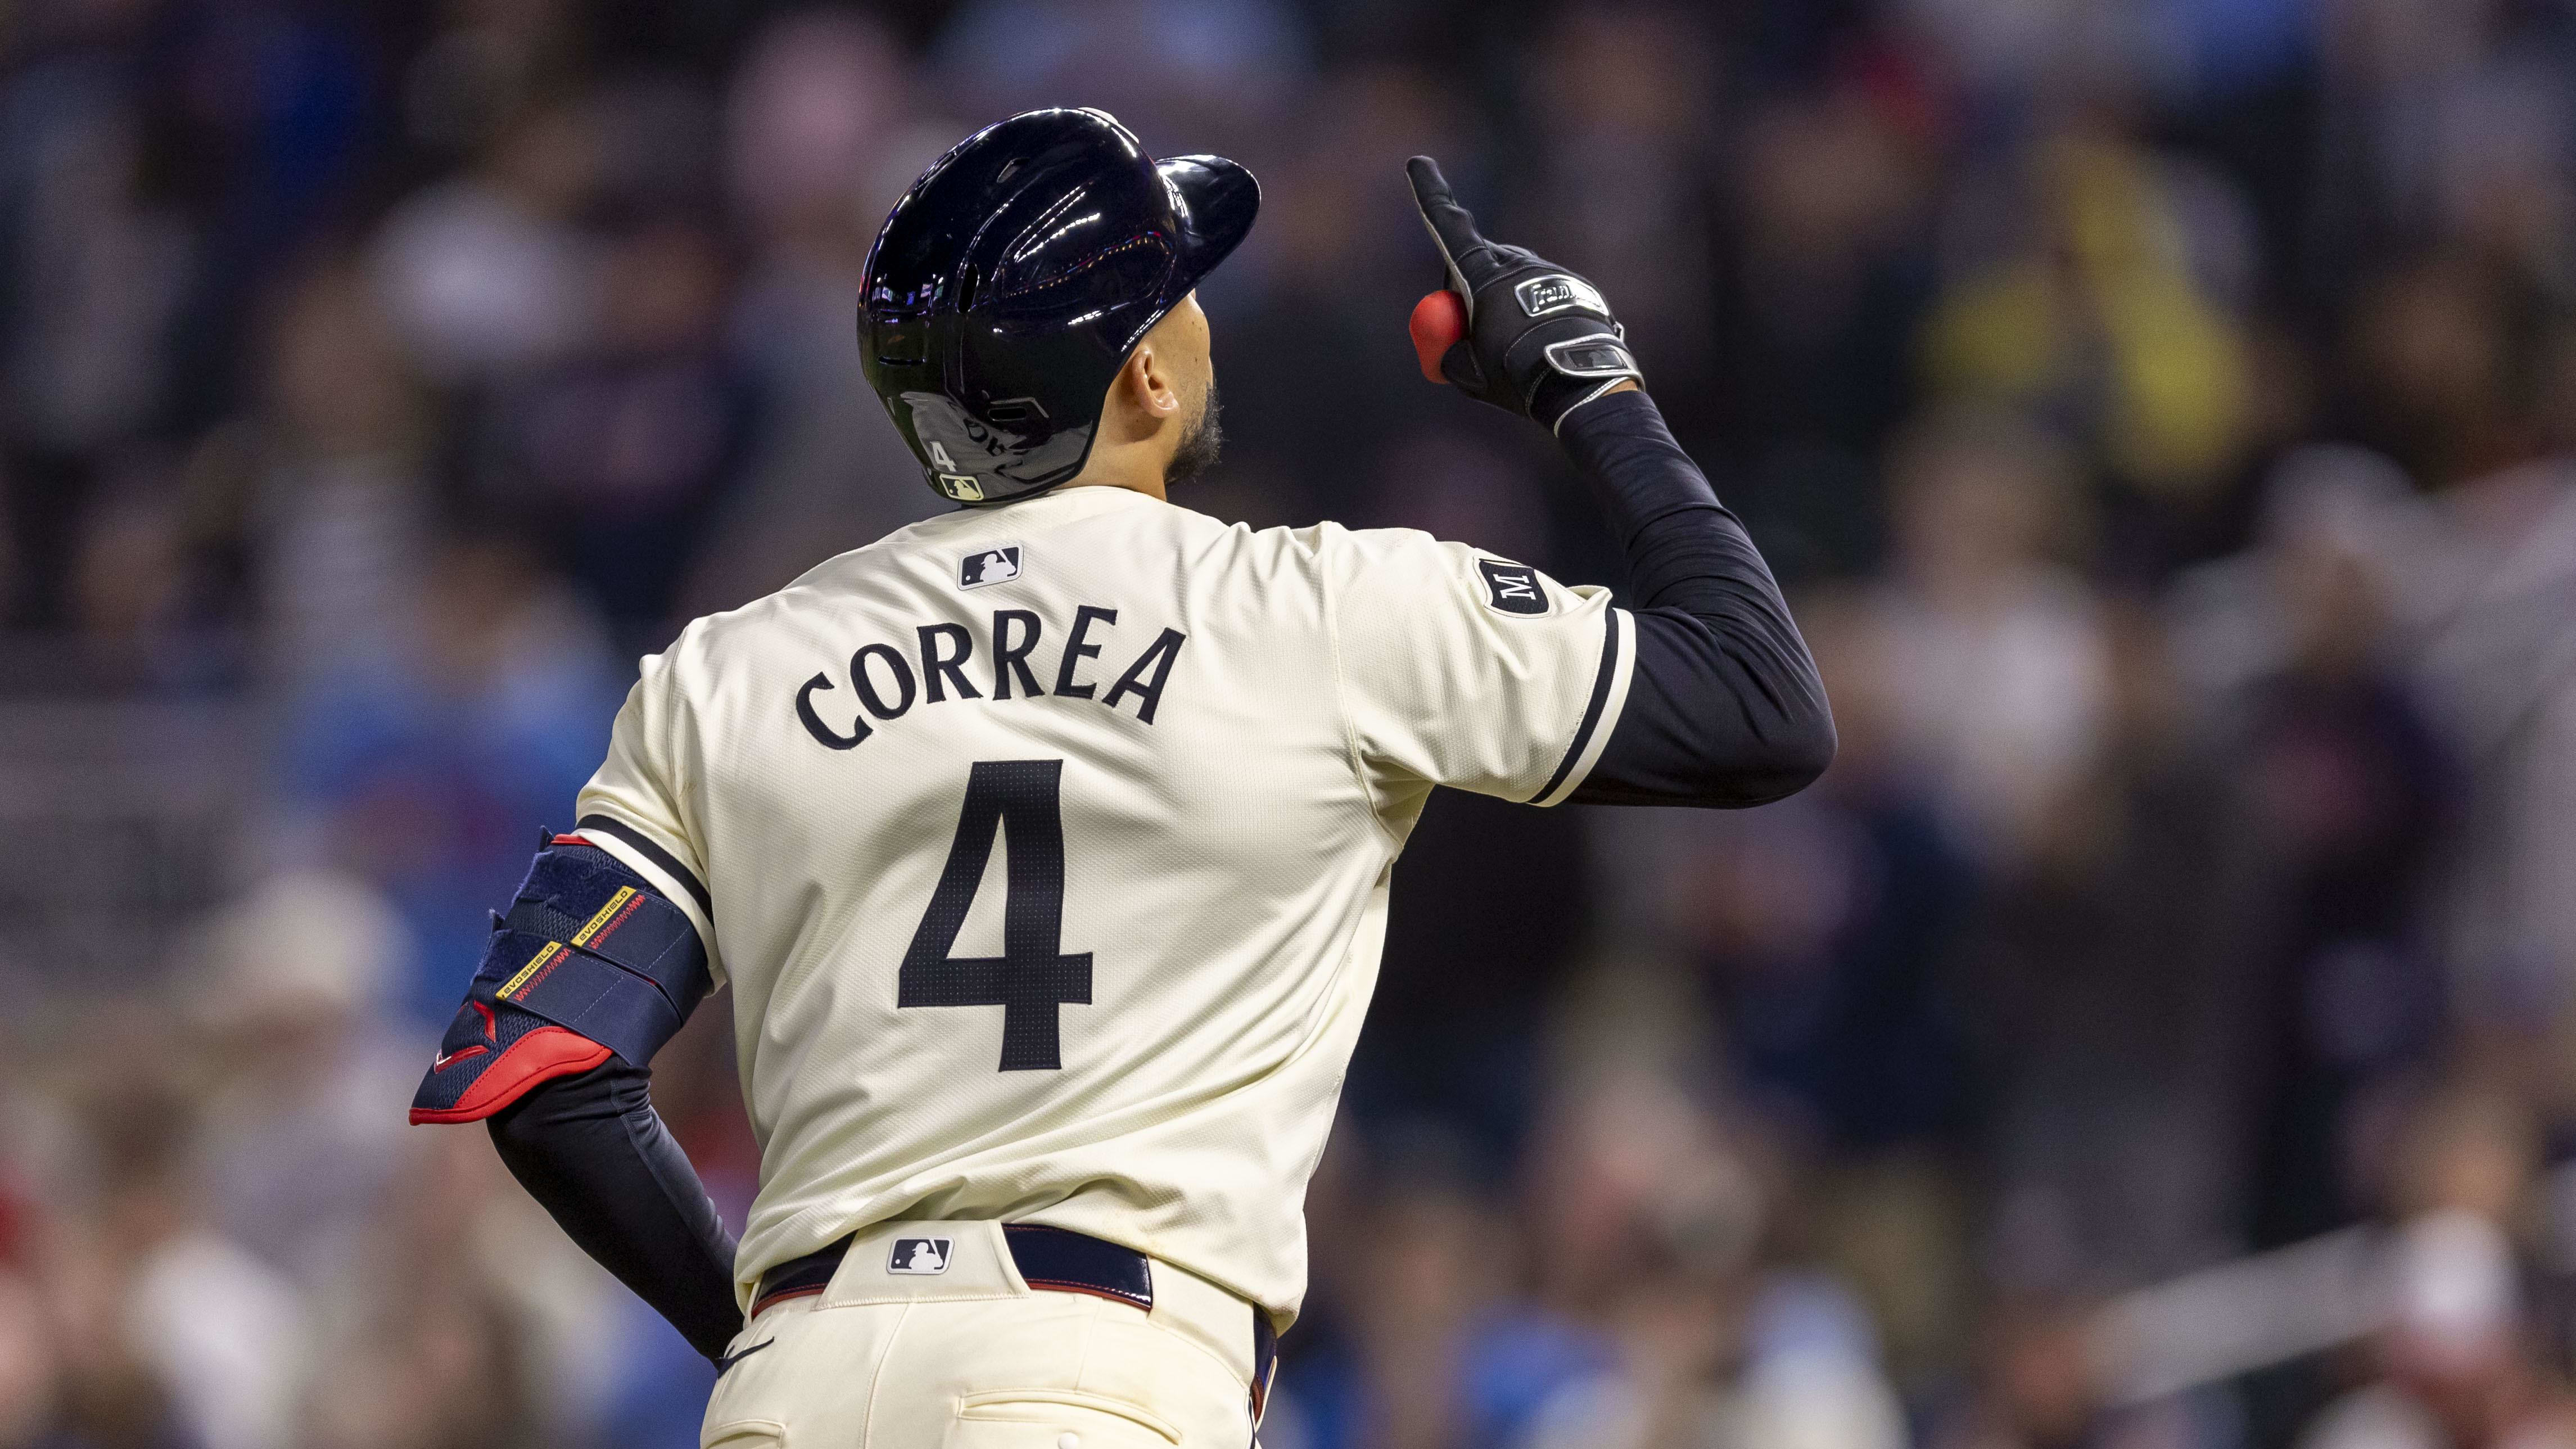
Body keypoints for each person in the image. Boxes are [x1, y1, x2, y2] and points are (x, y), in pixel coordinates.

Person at [404, 107, 1833, 1447]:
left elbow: (551, 1072)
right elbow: (1759, 704)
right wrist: (1590, 382)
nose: (1205, 316)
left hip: (801, 1377)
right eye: (1183, 291)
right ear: (1146, 371)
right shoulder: (1320, 612)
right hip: (1107, 1374)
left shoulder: (730, 668)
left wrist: (777, 1339)